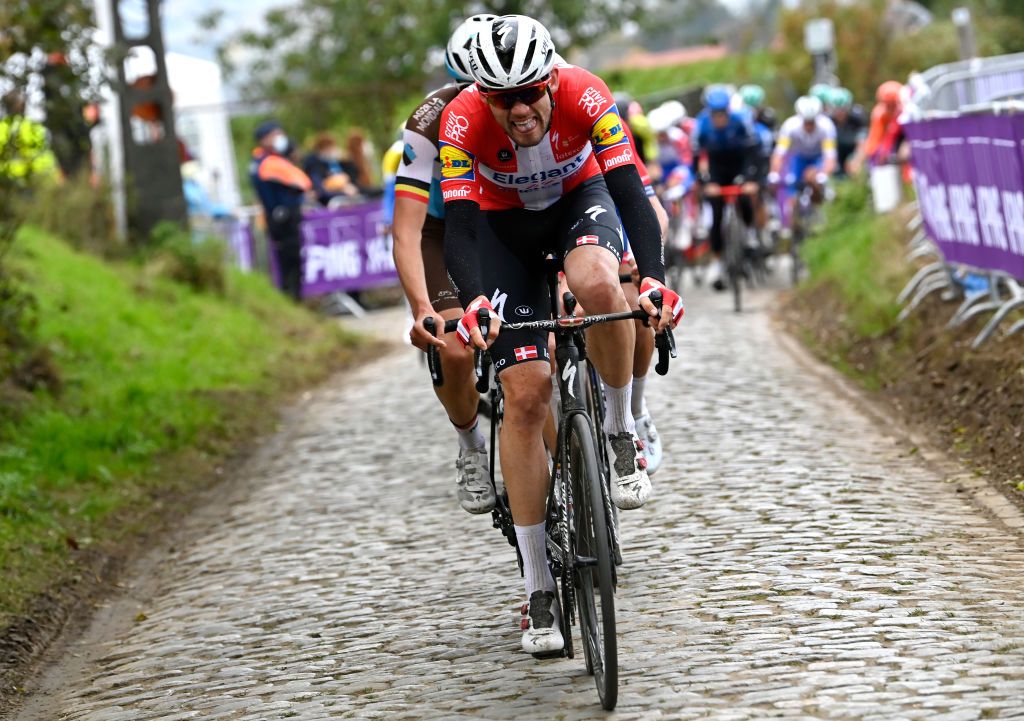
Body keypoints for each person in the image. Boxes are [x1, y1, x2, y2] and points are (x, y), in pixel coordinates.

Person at [439, 15, 683, 656]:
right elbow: (461, 228)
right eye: (502, 98)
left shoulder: (587, 94)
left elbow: (630, 192)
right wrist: (471, 305)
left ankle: (618, 427)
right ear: (481, 96)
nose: (519, 108)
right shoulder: (461, 123)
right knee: (524, 397)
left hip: (582, 201)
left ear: (551, 80)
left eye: (530, 92)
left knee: (604, 289)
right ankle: (538, 587)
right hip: (503, 233)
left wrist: (654, 281)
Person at [391, 13, 497, 515]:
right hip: (442, 229)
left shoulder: (531, 101)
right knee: (455, 348)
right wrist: (420, 308)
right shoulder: (426, 124)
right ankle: (471, 444)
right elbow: (408, 231)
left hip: (503, 221)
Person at [691, 84, 762, 290]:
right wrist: (705, 183)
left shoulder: (741, 121)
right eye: (715, 114)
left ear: (729, 111)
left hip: (739, 163)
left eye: (723, 114)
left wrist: (751, 179)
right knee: (717, 213)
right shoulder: (702, 125)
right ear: (709, 112)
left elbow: (753, 152)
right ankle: (717, 262)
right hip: (717, 167)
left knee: (744, 197)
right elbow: (696, 159)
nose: (720, 118)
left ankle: (749, 235)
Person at [249, 119, 312, 301]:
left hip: (286, 218)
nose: (280, 138)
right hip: (281, 220)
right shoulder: (266, 162)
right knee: (288, 262)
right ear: (264, 139)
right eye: (275, 135)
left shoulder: (273, 160)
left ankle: (294, 298)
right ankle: (291, 299)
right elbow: (299, 184)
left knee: (293, 261)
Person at [769, 96, 837, 223]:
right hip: (799, 158)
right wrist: (774, 173)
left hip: (818, 157)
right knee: (792, 192)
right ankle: (793, 224)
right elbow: (779, 153)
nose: (809, 125)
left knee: (814, 179)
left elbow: (830, 156)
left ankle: (818, 209)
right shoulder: (790, 126)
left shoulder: (826, 126)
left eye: (812, 122)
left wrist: (824, 174)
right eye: (806, 122)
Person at [849, 80, 905, 175]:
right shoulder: (879, 114)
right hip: (889, 149)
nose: (890, 108)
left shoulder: (906, 113)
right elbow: (874, 139)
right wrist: (860, 160)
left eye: (893, 104)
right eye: (887, 104)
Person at [302, 132, 359, 206]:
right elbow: (321, 192)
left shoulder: (332, 163)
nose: (332, 150)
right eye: (329, 148)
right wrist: (344, 192)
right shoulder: (315, 167)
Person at [827, 87, 867, 177]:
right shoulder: (827, 121)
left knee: (857, 167)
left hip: (852, 150)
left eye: (843, 109)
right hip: (836, 152)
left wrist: (856, 160)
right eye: (836, 109)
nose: (840, 113)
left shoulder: (858, 117)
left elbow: (862, 143)